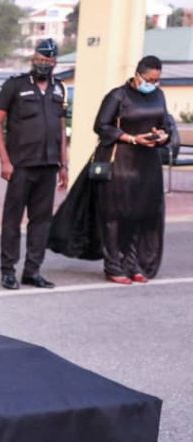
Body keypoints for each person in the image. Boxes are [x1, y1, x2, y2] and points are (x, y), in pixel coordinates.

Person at [0, 37, 68, 291]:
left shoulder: (59, 89)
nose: (44, 63)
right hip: (20, 165)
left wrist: (64, 165)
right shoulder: (15, 85)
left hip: (48, 165)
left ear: (55, 62)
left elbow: (60, 128)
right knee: (12, 220)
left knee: (41, 221)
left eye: (48, 60)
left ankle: (32, 271)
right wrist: (4, 160)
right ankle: (8, 271)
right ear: (33, 59)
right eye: (40, 59)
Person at [94, 56, 171, 284]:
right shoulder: (117, 96)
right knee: (115, 215)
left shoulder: (159, 95)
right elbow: (101, 126)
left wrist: (163, 136)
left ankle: (132, 263)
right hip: (121, 163)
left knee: (140, 214)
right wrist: (132, 139)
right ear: (138, 75)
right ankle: (113, 265)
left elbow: (165, 123)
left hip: (147, 164)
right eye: (149, 80)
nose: (153, 85)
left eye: (157, 81)